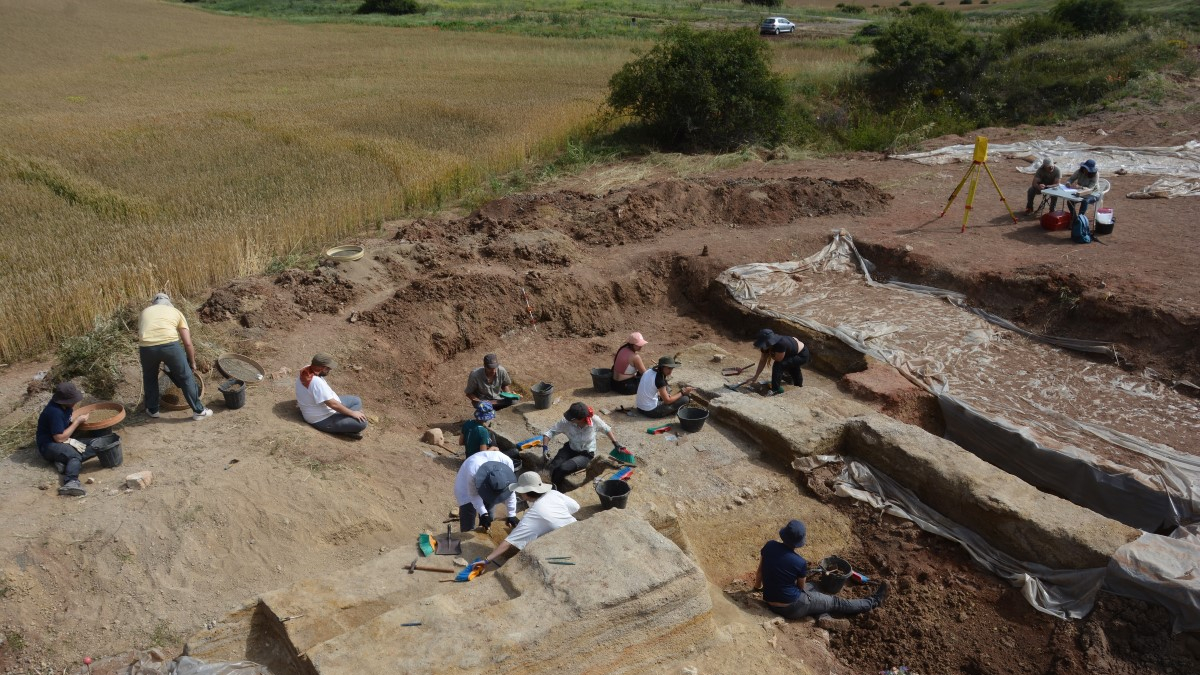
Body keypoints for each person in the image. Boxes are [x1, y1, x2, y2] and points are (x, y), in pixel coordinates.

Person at [755, 519, 888, 621]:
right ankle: (875, 601)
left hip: (770, 602)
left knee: (814, 586)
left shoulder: (769, 546)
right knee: (836, 602)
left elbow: (760, 572)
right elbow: (801, 588)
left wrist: (756, 588)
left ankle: (821, 613)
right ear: (799, 542)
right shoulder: (799, 562)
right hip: (792, 608)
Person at [471, 472, 580, 574]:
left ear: (526, 493)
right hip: (578, 529)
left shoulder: (533, 514)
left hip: (563, 544)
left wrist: (486, 560)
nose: (519, 494)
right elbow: (576, 507)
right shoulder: (553, 493)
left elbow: (509, 542)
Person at [138, 293, 212, 420]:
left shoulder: (144, 312)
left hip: (146, 347)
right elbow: (187, 343)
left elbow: (144, 332)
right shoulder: (176, 312)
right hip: (170, 345)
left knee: (150, 377)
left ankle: (153, 410)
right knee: (185, 376)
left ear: (154, 304)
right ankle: (199, 411)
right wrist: (192, 363)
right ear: (168, 303)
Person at [541, 402, 625, 492]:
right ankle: (550, 486)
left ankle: (554, 490)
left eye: (571, 418)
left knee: (563, 468)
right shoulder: (566, 422)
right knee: (553, 466)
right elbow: (550, 432)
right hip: (570, 448)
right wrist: (545, 448)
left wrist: (616, 443)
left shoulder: (594, 420)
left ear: (580, 419)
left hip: (586, 454)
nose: (568, 419)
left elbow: (606, 429)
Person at [36, 382, 98, 497]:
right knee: (75, 456)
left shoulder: (66, 407)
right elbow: (59, 438)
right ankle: (71, 482)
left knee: (97, 444)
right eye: (73, 400)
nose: (75, 402)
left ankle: (63, 462)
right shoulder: (55, 412)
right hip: (48, 445)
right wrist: (77, 422)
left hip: (63, 440)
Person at [295, 353, 368, 436]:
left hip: (327, 408)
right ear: (321, 368)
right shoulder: (315, 382)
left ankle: (345, 420)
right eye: (328, 368)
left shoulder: (307, 369)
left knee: (356, 400)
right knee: (362, 423)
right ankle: (344, 428)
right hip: (322, 418)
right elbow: (332, 404)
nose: (330, 370)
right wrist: (352, 413)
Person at [454, 448, 519, 532]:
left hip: (487, 483)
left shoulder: (507, 462)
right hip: (466, 488)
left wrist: (512, 514)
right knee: (468, 517)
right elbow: (474, 495)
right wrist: (483, 513)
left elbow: (510, 490)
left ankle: (486, 528)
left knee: (489, 517)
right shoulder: (473, 471)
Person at [738, 329, 811, 396]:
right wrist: (755, 376)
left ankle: (775, 389)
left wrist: (770, 353)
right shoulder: (766, 347)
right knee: (790, 366)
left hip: (802, 355)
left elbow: (779, 359)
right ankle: (792, 381)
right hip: (791, 351)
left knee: (780, 365)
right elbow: (763, 360)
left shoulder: (780, 344)